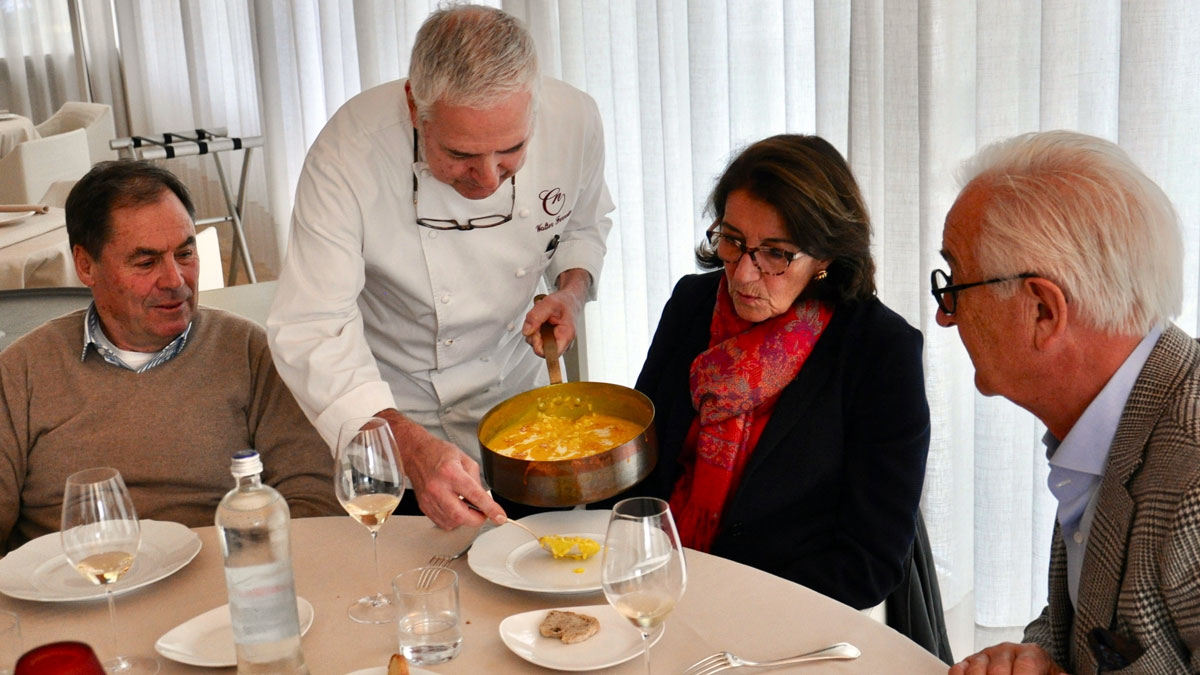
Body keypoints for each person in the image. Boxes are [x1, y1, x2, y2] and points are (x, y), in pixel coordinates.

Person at [267, 5, 613, 529]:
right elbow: (313, 326)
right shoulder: (348, 154)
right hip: (394, 410)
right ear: (414, 105)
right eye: (460, 154)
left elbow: (585, 226)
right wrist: (405, 446)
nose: (489, 179)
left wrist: (570, 291)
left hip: (516, 403)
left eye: (512, 150)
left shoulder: (576, 119)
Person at [620, 134, 931, 610]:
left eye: (775, 253)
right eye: (733, 240)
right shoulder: (692, 304)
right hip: (659, 583)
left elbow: (870, 562)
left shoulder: (880, 351)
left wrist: (728, 598)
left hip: (785, 615)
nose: (744, 273)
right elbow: (638, 465)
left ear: (825, 256)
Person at [939, 131, 1200, 674]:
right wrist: (1038, 656)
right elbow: (1104, 624)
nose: (946, 314)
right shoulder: (1117, 414)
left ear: (1042, 311)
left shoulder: (1192, 478)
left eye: (955, 284)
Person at [0, 161, 340, 554]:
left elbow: (313, 500)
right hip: (74, 592)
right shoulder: (23, 372)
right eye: (146, 262)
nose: (175, 281)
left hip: (218, 583)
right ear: (85, 265)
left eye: (185, 253)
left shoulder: (249, 352)